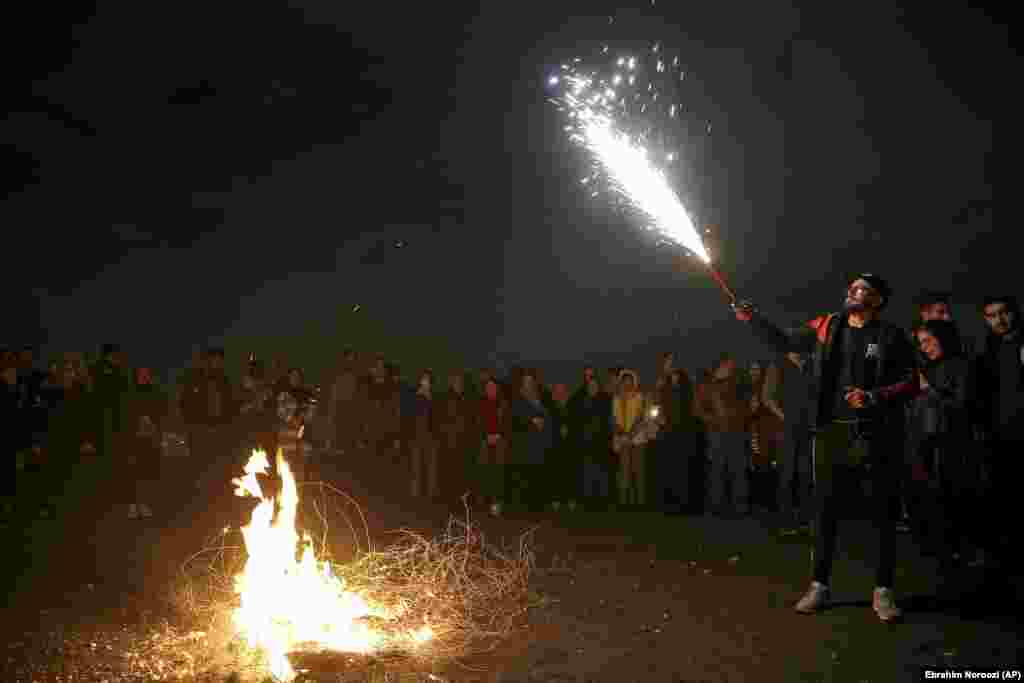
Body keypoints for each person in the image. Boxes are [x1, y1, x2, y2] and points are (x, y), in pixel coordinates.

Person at [734, 273, 918, 622]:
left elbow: (911, 381)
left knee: (883, 513)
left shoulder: (891, 335)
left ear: (878, 299)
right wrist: (753, 319)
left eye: (863, 288)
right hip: (833, 432)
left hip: (877, 433)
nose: (854, 291)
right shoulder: (826, 326)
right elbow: (786, 340)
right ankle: (819, 585)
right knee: (826, 511)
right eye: (851, 287)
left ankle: (883, 591)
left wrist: (874, 397)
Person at [907, 320, 980, 576]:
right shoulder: (928, 366)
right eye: (921, 343)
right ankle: (937, 549)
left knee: (951, 495)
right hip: (925, 441)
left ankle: (958, 551)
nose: (924, 347)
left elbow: (963, 405)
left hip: (951, 441)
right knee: (929, 494)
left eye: (928, 340)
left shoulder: (962, 366)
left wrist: (930, 390)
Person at [974, 295, 1024, 565]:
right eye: (992, 315)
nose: (999, 320)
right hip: (998, 433)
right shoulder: (987, 349)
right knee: (1001, 493)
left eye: (1003, 313)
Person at [692, 354, 750, 517]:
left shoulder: (738, 383)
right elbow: (697, 409)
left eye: (732, 365)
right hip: (716, 433)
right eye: (729, 364)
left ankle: (739, 507)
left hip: (736, 432)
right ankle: (715, 507)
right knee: (716, 470)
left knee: (737, 470)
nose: (732, 367)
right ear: (722, 365)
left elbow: (747, 406)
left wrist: (739, 415)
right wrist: (711, 419)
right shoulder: (708, 384)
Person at [770, 349, 814, 534]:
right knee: (787, 474)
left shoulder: (810, 366)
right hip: (787, 428)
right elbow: (767, 396)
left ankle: (804, 519)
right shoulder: (778, 366)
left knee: (805, 473)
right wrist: (783, 416)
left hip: (807, 427)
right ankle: (785, 520)